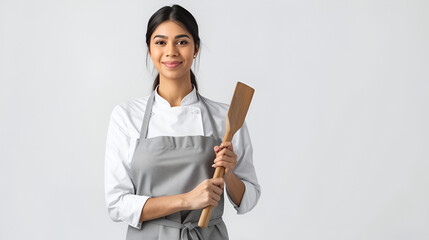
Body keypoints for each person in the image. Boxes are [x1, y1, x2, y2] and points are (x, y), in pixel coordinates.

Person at [104, 4, 261, 240]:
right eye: (160, 42)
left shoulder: (225, 118)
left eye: (181, 42)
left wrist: (228, 174)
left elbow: (247, 201)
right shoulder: (126, 116)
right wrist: (187, 200)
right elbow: (117, 204)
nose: (171, 51)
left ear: (195, 48)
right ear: (149, 49)